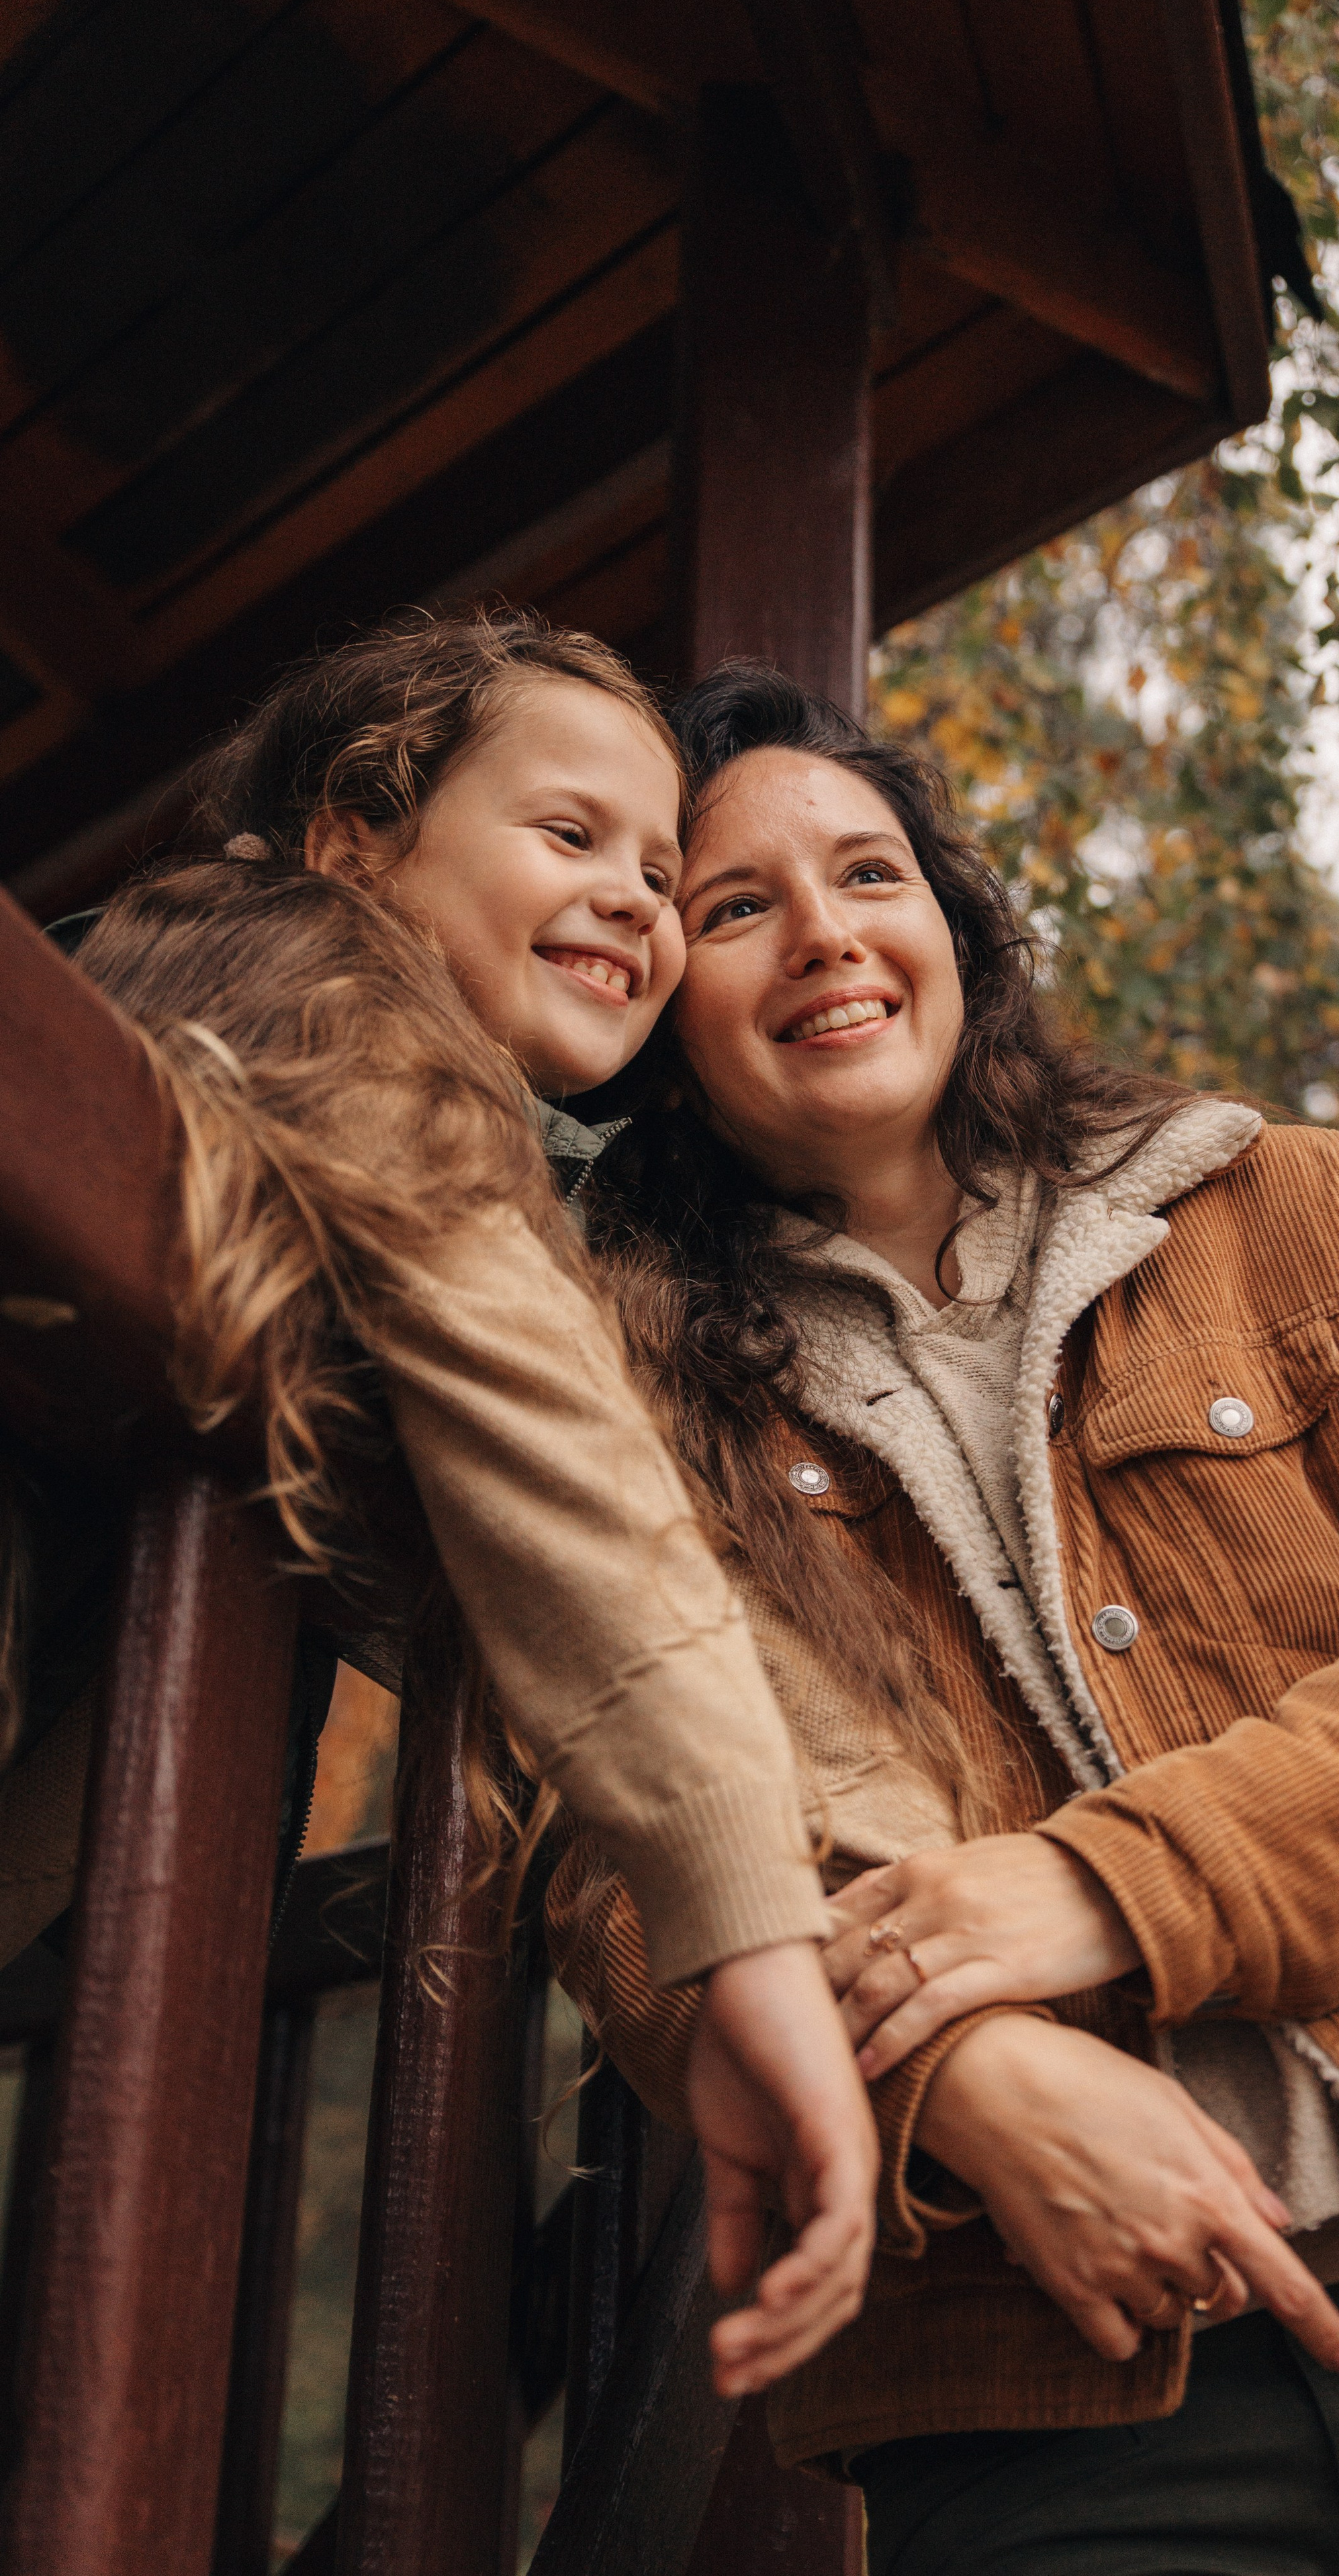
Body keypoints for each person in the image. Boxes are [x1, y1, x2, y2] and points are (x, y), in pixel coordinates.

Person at [562, 661, 1339, 2571]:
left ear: (954, 925)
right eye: (734, 906)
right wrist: (960, 2074)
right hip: (1040, 2407)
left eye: (870, 874)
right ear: (657, 1009)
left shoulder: (1302, 1218)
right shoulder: (620, 1407)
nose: (825, 937)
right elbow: (620, 1875)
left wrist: (1113, 1887)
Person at [0, 612, 877, 2397]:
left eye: (661, 872)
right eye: (572, 838)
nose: (637, 901)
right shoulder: (312, 986)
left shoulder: (325, 1069)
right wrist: (765, 1920)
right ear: (354, 838)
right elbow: (570, 1469)